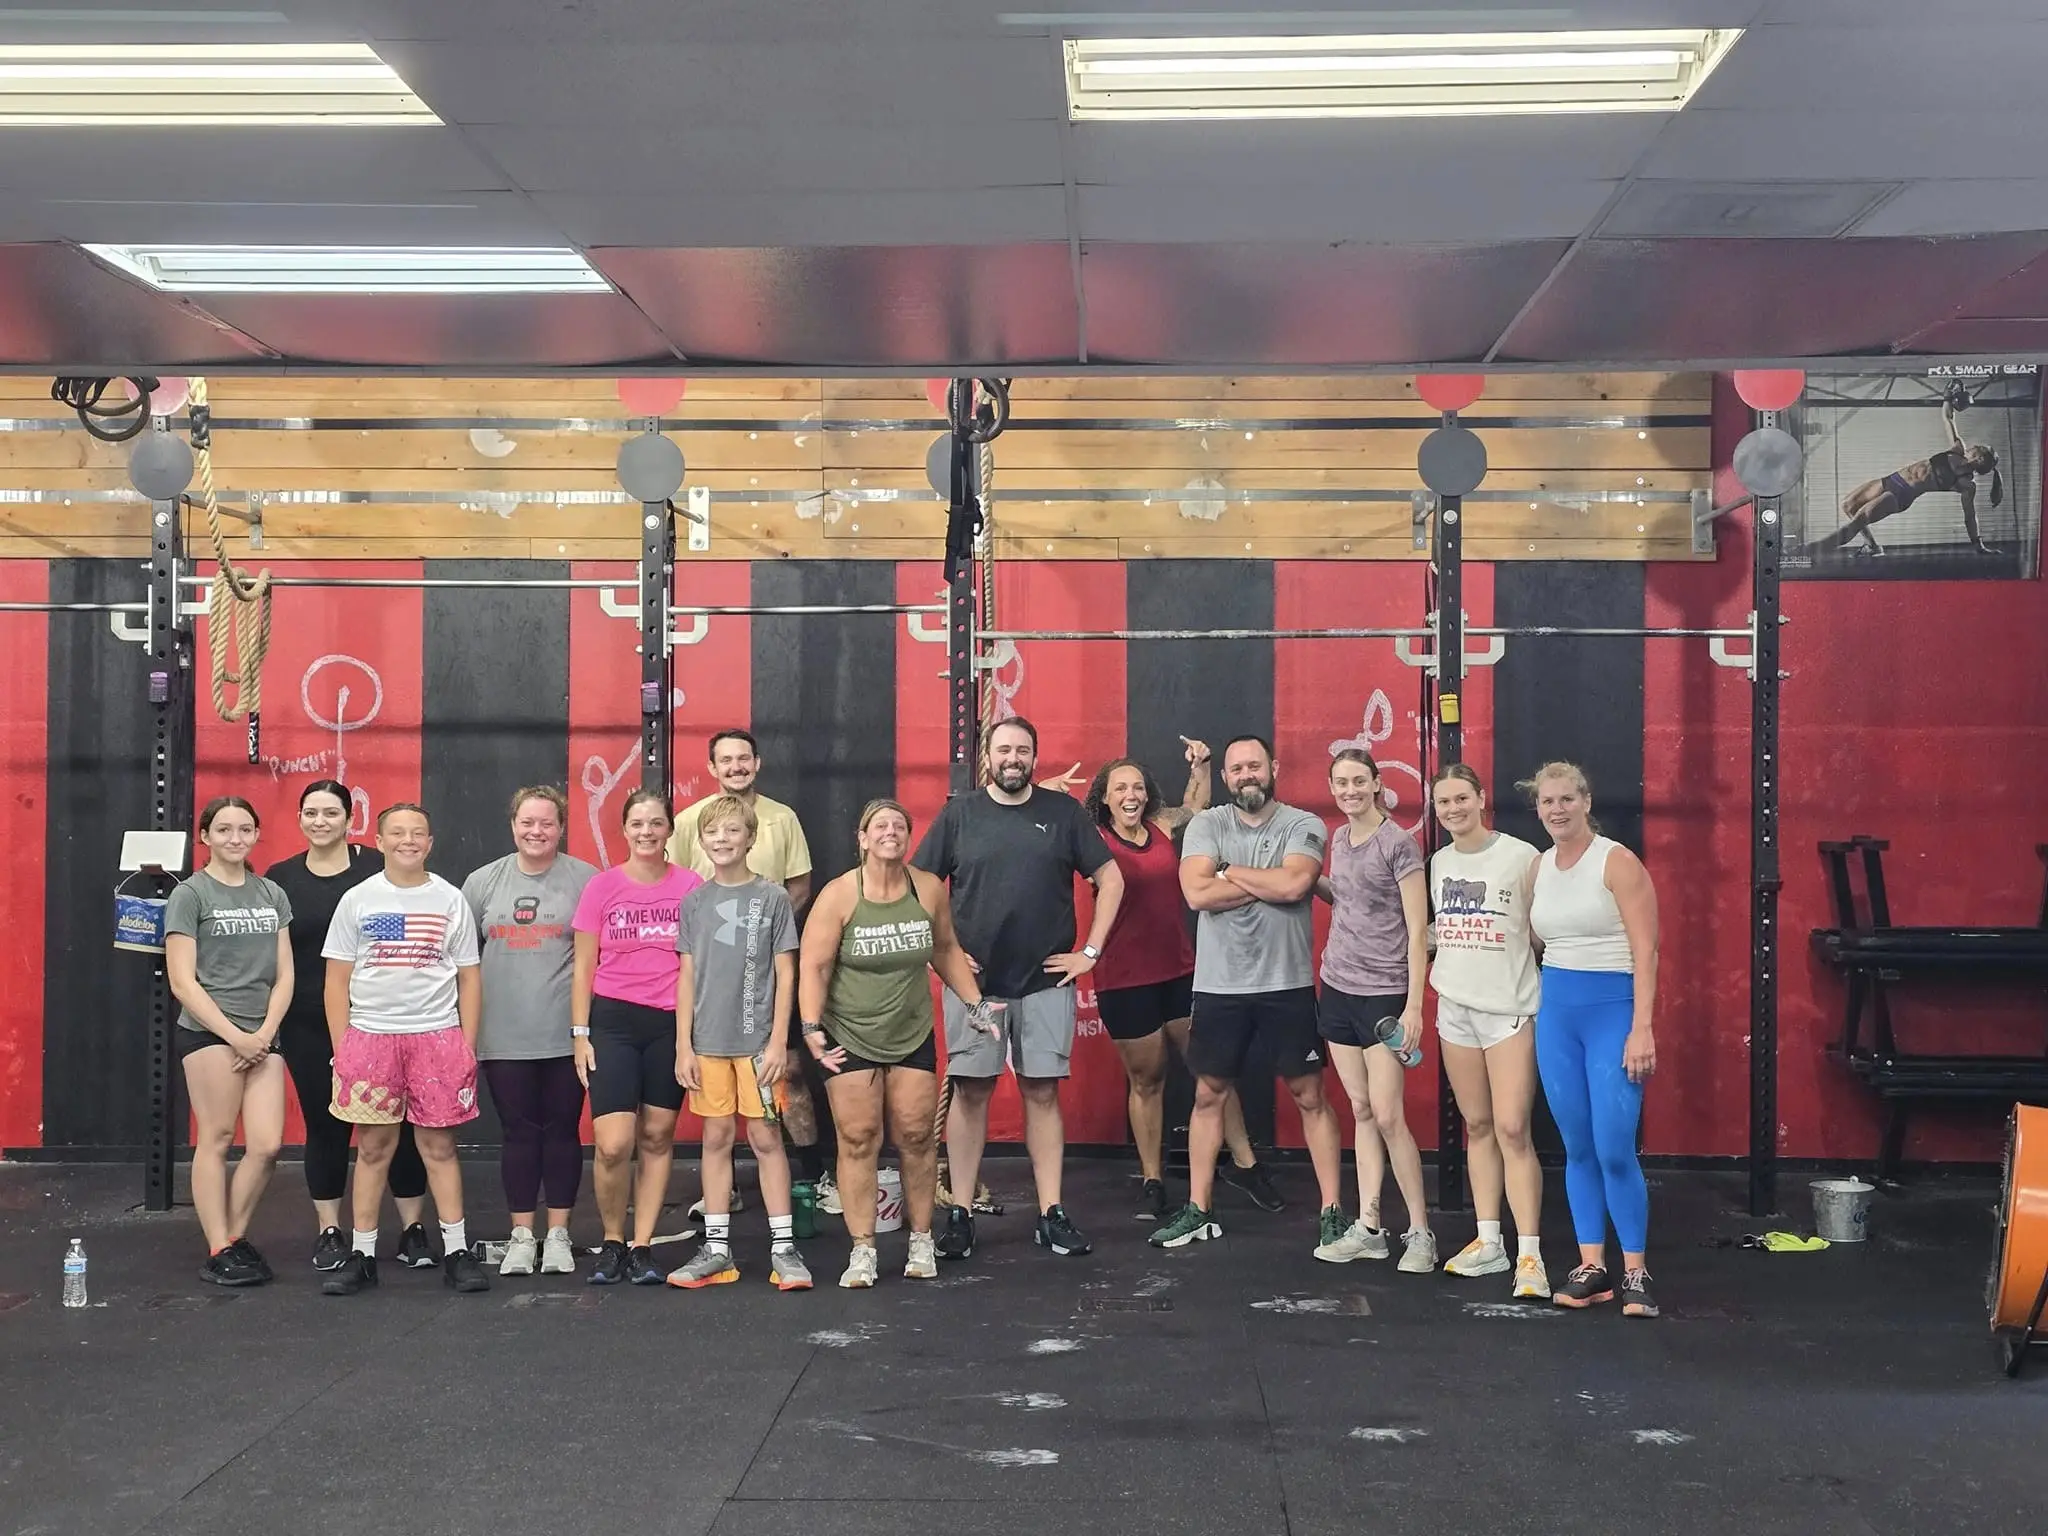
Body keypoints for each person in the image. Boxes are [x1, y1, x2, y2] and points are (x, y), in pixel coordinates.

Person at [912, 715, 1125, 1262]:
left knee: (1041, 1092)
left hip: (1045, 978)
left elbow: (1111, 878)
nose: (1013, 758)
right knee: (972, 1092)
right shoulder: (960, 815)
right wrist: (945, 954)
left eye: (1023, 750)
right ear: (988, 756)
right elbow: (919, 886)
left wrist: (1091, 954)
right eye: (1004, 749)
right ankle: (958, 1212)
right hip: (974, 987)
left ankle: (1051, 1213)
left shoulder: (1062, 814)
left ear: (1035, 756)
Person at [1153, 736, 1347, 1255]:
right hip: (1220, 988)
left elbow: (1294, 887)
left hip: (1287, 984)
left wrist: (1228, 872)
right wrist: (1273, 880)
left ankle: (1332, 1211)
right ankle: (1199, 1210)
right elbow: (1197, 894)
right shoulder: (1206, 824)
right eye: (1236, 768)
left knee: (1310, 1096)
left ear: (1273, 768)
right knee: (1207, 1096)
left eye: (1254, 766)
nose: (1245, 775)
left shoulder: (1302, 823)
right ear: (1226, 776)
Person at [799, 799, 998, 1288]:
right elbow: (814, 966)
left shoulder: (927, 889)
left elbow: (946, 949)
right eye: (879, 826)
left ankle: (921, 1239)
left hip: (911, 1032)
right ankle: (863, 1249)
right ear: (863, 839)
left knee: (916, 1136)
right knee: (858, 1138)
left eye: (899, 826)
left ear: (909, 838)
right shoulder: (839, 895)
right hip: (849, 1034)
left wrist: (974, 1005)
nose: (890, 832)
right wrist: (810, 1028)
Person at [1081, 742, 1280, 1222]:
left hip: (1180, 969)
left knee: (1211, 1071)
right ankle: (1152, 1179)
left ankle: (1245, 1165)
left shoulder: (1163, 826)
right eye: (1119, 788)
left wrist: (1203, 766)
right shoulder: (1089, 839)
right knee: (1147, 1080)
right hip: (1124, 979)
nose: (1130, 794)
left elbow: (1196, 805)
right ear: (1104, 798)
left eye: (1136, 786)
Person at [319, 803, 491, 1296]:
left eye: (418, 833)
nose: (408, 841)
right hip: (370, 1036)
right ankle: (364, 1253)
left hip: (436, 1034)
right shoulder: (359, 899)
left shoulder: (450, 899)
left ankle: (456, 1251)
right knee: (373, 1148)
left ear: (431, 843)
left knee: (438, 1146)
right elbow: (337, 981)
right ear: (379, 840)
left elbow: (469, 976)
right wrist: (343, 1047)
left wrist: (466, 1044)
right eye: (398, 832)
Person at [267, 779, 434, 1272]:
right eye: (311, 813)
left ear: (349, 819)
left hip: (380, 1019)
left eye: (331, 813)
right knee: (326, 1127)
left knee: (400, 1128)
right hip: (310, 1024)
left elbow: (398, 930)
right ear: (300, 819)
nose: (320, 822)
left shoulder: (373, 871)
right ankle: (331, 1231)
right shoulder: (282, 879)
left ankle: (411, 1228)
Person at [667, 728, 828, 1213]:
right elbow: (678, 888)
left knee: (790, 1072)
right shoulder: (689, 821)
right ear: (712, 768)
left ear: (756, 764)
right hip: (711, 977)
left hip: (766, 975)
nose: (735, 767)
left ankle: (815, 1177)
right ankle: (726, 1193)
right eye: (725, 760)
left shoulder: (782, 819)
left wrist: (764, 931)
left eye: (743, 759)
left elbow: (799, 884)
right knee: (713, 1094)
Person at [1525, 762, 1661, 1319]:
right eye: (1546, 802)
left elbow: (1646, 951)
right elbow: (1537, 942)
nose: (1556, 809)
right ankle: (1592, 1266)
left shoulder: (1618, 862)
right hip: (1557, 1015)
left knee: (1612, 1146)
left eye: (1565, 799)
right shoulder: (1538, 868)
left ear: (1585, 801)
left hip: (1614, 1014)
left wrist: (1642, 1027)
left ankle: (1636, 1271)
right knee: (1576, 1147)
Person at [667, 794, 809, 1291]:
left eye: (732, 832)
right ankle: (717, 1250)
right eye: (713, 833)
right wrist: (683, 1045)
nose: (721, 840)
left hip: (756, 1046)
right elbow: (686, 977)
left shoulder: (771, 899)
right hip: (707, 1043)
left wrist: (776, 1043)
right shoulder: (694, 902)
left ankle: (784, 1249)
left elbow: (785, 974)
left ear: (750, 838)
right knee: (715, 1138)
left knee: (767, 1137)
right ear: (700, 841)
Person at [461, 786, 597, 1278]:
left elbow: (594, 959)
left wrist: (584, 1029)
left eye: (546, 823)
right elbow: (462, 962)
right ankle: (522, 1235)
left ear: (561, 827)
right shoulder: (482, 882)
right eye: (527, 822)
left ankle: (558, 1235)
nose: (536, 831)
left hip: (565, 1037)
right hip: (503, 1036)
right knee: (518, 1135)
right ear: (512, 824)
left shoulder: (586, 880)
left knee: (562, 1133)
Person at [1311, 749, 1436, 1270]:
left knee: (1387, 1115)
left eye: (1359, 782)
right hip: (1337, 988)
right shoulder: (1339, 838)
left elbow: (1417, 931)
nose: (1350, 791)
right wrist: (1287, 878)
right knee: (1361, 1110)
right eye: (1341, 783)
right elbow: (1344, 898)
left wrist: (1413, 1006)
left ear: (1378, 785)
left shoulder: (1399, 845)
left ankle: (1422, 1234)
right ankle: (1370, 1227)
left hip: (1385, 995)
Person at [1427, 764, 1548, 1300]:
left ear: (1480, 798)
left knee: (1513, 1129)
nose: (1452, 809)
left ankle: (1530, 1255)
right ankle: (1489, 1241)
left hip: (1509, 1010)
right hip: (1455, 1009)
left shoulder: (1521, 857)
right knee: (1477, 1126)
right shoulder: (1439, 861)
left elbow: (1542, 933)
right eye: (1443, 802)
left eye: (1460, 798)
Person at [573, 788, 703, 1285]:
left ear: (670, 830)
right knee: (612, 1143)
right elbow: (584, 964)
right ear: (624, 830)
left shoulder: (691, 885)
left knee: (656, 1135)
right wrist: (579, 1035)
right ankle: (612, 1240)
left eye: (656, 823)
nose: (647, 832)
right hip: (612, 1020)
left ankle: (643, 1245)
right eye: (637, 824)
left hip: (669, 1022)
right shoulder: (602, 887)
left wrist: (690, 1036)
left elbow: (697, 964)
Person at [164, 796, 295, 1286]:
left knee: (266, 1145)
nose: (234, 838)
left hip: (262, 1037)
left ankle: (233, 1240)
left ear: (256, 835)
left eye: (244, 829)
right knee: (217, 1139)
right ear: (206, 837)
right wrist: (234, 1036)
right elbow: (183, 981)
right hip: (209, 1035)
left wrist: (261, 1035)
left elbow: (284, 975)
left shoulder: (270, 894)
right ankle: (217, 1243)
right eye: (223, 830)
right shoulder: (191, 895)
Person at [1810, 397, 2004, 556]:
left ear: (1979, 458)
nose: (1973, 446)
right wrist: (1948, 397)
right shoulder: (1957, 449)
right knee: (1848, 505)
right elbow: (1948, 418)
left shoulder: (1966, 484)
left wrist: (1979, 546)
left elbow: (1970, 517)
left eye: (1977, 448)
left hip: (1902, 495)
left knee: (1858, 521)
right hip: (1892, 479)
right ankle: (1873, 547)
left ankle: (1811, 550)